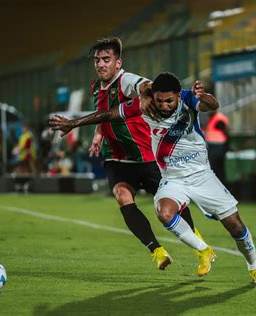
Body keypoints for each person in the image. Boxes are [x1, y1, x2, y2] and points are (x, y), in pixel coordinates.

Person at [50, 72, 256, 284]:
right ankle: (204, 250)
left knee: (235, 226)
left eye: (169, 101)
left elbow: (212, 106)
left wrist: (203, 97)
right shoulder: (145, 105)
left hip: (202, 176)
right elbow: (108, 114)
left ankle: (253, 266)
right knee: (164, 213)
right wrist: (74, 123)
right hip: (172, 178)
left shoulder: (187, 98)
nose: (164, 106)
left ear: (177, 95)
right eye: (159, 101)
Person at [55, 37, 200, 270]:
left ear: (118, 62)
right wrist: (98, 134)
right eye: (97, 60)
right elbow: (103, 114)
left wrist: (146, 92)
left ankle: (199, 245)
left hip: (145, 156)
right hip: (115, 158)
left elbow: (144, 84)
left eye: (106, 60)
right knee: (123, 197)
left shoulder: (125, 80)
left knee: (172, 204)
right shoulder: (96, 87)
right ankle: (158, 251)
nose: (101, 64)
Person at [204, 111, 230, 184]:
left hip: (218, 146)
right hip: (213, 146)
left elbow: (226, 132)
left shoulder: (219, 118)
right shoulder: (213, 118)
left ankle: (220, 185)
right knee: (214, 167)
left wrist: (228, 145)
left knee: (217, 168)